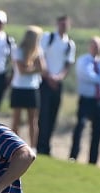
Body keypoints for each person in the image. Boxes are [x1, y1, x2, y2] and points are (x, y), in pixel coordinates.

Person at [68, 36, 100, 165]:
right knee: (80, 126)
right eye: (94, 45)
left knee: (97, 132)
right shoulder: (83, 61)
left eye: (98, 46)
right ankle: (73, 155)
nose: (96, 48)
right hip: (86, 99)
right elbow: (88, 76)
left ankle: (92, 161)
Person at [36, 15, 75, 156]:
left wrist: (59, 77)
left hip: (57, 83)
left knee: (53, 115)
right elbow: (41, 56)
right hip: (45, 81)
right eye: (61, 23)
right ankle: (40, 145)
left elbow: (67, 64)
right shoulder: (48, 37)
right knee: (43, 115)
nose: (63, 26)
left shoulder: (69, 44)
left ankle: (47, 145)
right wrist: (48, 75)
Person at [9, 26, 44, 148]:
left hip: (32, 87)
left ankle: (33, 147)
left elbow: (42, 68)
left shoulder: (38, 51)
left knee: (33, 120)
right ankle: (14, 146)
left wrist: (31, 68)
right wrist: (34, 69)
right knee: (16, 120)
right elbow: (22, 70)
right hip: (19, 87)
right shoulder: (18, 51)